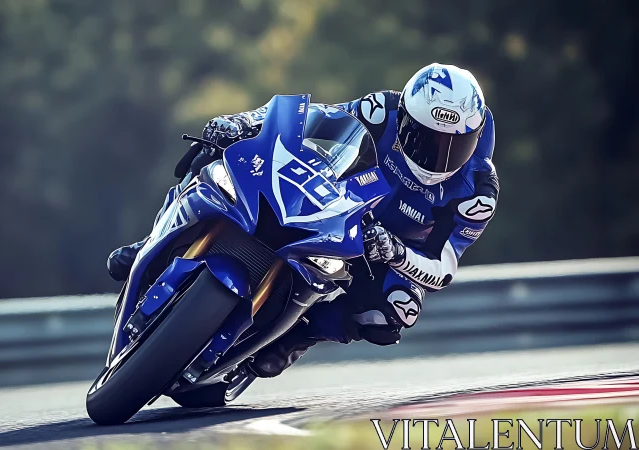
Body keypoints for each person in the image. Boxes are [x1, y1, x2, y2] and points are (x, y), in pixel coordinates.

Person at [107, 63, 499, 379]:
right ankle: (151, 240)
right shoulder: (385, 110)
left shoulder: (478, 191)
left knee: (395, 312)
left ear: (476, 135)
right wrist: (243, 123)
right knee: (212, 153)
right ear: (407, 120)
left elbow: (443, 266)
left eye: (455, 144)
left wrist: (394, 252)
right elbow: (314, 117)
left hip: (389, 247)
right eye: (426, 138)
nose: (440, 155)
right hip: (339, 203)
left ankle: (297, 336)